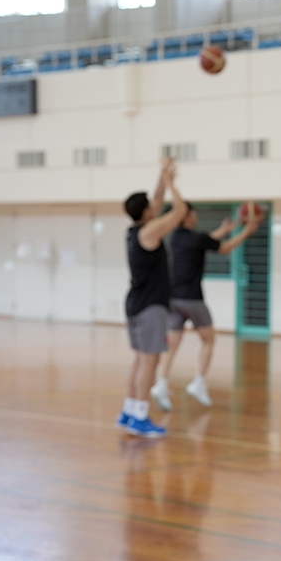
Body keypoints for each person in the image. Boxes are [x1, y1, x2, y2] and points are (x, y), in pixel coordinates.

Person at [151, 202, 263, 409]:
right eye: (193, 213)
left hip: (173, 298)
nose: (195, 215)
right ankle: (199, 383)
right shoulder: (197, 238)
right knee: (209, 340)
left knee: (172, 345)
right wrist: (245, 233)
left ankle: (161, 384)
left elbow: (205, 241)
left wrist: (224, 230)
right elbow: (224, 248)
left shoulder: (176, 237)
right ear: (185, 217)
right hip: (192, 299)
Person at [116, 158, 187, 437]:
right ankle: (140, 417)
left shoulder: (135, 231)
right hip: (150, 306)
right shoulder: (150, 231)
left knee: (139, 360)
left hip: (136, 304)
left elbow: (157, 202)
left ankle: (129, 411)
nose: (155, 207)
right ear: (146, 212)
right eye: (151, 207)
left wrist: (161, 175)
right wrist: (172, 184)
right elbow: (179, 211)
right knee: (150, 361)